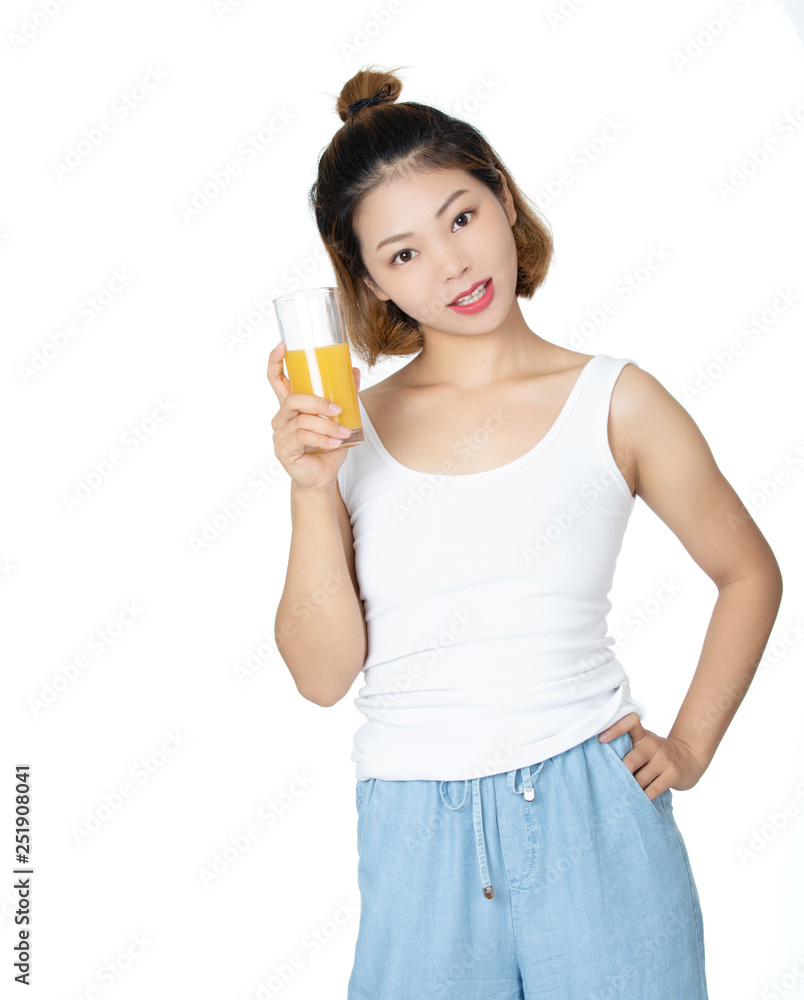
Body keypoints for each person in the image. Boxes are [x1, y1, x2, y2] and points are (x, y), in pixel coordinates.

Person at [267, 64, 783, 1000]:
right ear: (369, 280)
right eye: (403, 254)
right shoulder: (349, 433)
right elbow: (322, 677)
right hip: (414, 831)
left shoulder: (617, 401)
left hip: (597, 816)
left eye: (461, 217)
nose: (452, 266)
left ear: (504, 199)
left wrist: (691, 747)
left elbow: (749, 573)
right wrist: (312, 490)